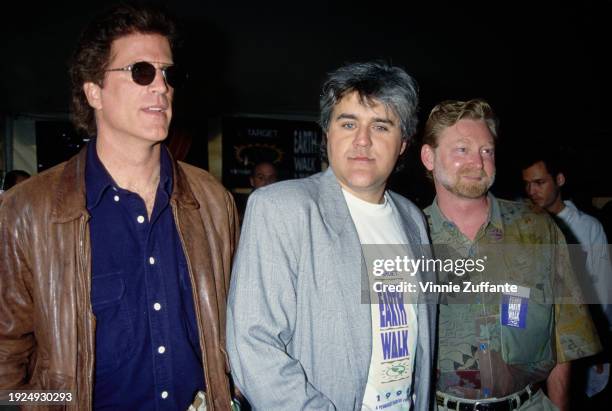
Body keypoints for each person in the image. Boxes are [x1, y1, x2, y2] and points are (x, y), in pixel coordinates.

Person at [0, 4, 239, 410]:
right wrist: (53, 402)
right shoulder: (27, 210)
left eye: (169, 73)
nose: (161, 87)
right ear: (94, 91)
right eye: (142, 72)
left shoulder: (212, 200)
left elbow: (238, 331)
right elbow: (6, 360)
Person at [227, 61, 436, 410]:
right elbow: (253, 345)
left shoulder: (412, 218)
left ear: (403, 144)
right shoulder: (282, 208)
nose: (362, 140)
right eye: (348, 123)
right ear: (327, 134)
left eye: (381, 126)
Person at [420, 99, 601, 410]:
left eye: (486, 151)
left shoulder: (538, 230)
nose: (478, 162)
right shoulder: (408, 236)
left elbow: (563, 337)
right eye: (462, 149)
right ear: (429, 157)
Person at [522, 153, 612, 403]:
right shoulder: (523, 228)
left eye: (539, 183)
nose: (532, 190)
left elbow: (603, 291)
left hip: (580, 342)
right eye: (527, 184)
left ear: (559, 180)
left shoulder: (588, 228)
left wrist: (600, 346)